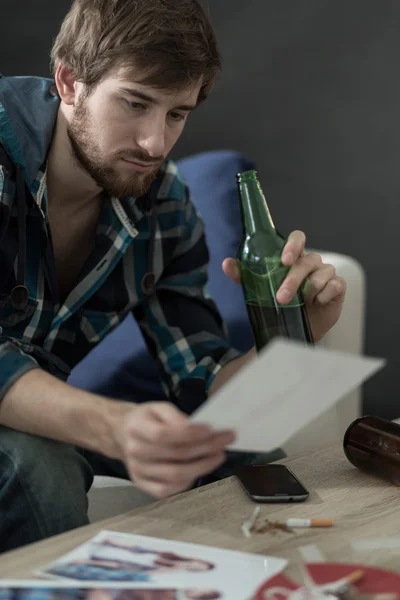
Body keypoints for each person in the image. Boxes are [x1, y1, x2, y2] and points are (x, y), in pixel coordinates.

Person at [0, 0, 346, 552]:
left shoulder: (163, 203)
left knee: (238, 451)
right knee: (38, 463)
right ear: (69, 81)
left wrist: (299, 332)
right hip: (29, 428)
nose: (154, 144)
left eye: (176, 115)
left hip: (45, 409)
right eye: (135, 103)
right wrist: (114, 425)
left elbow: (201, 385)